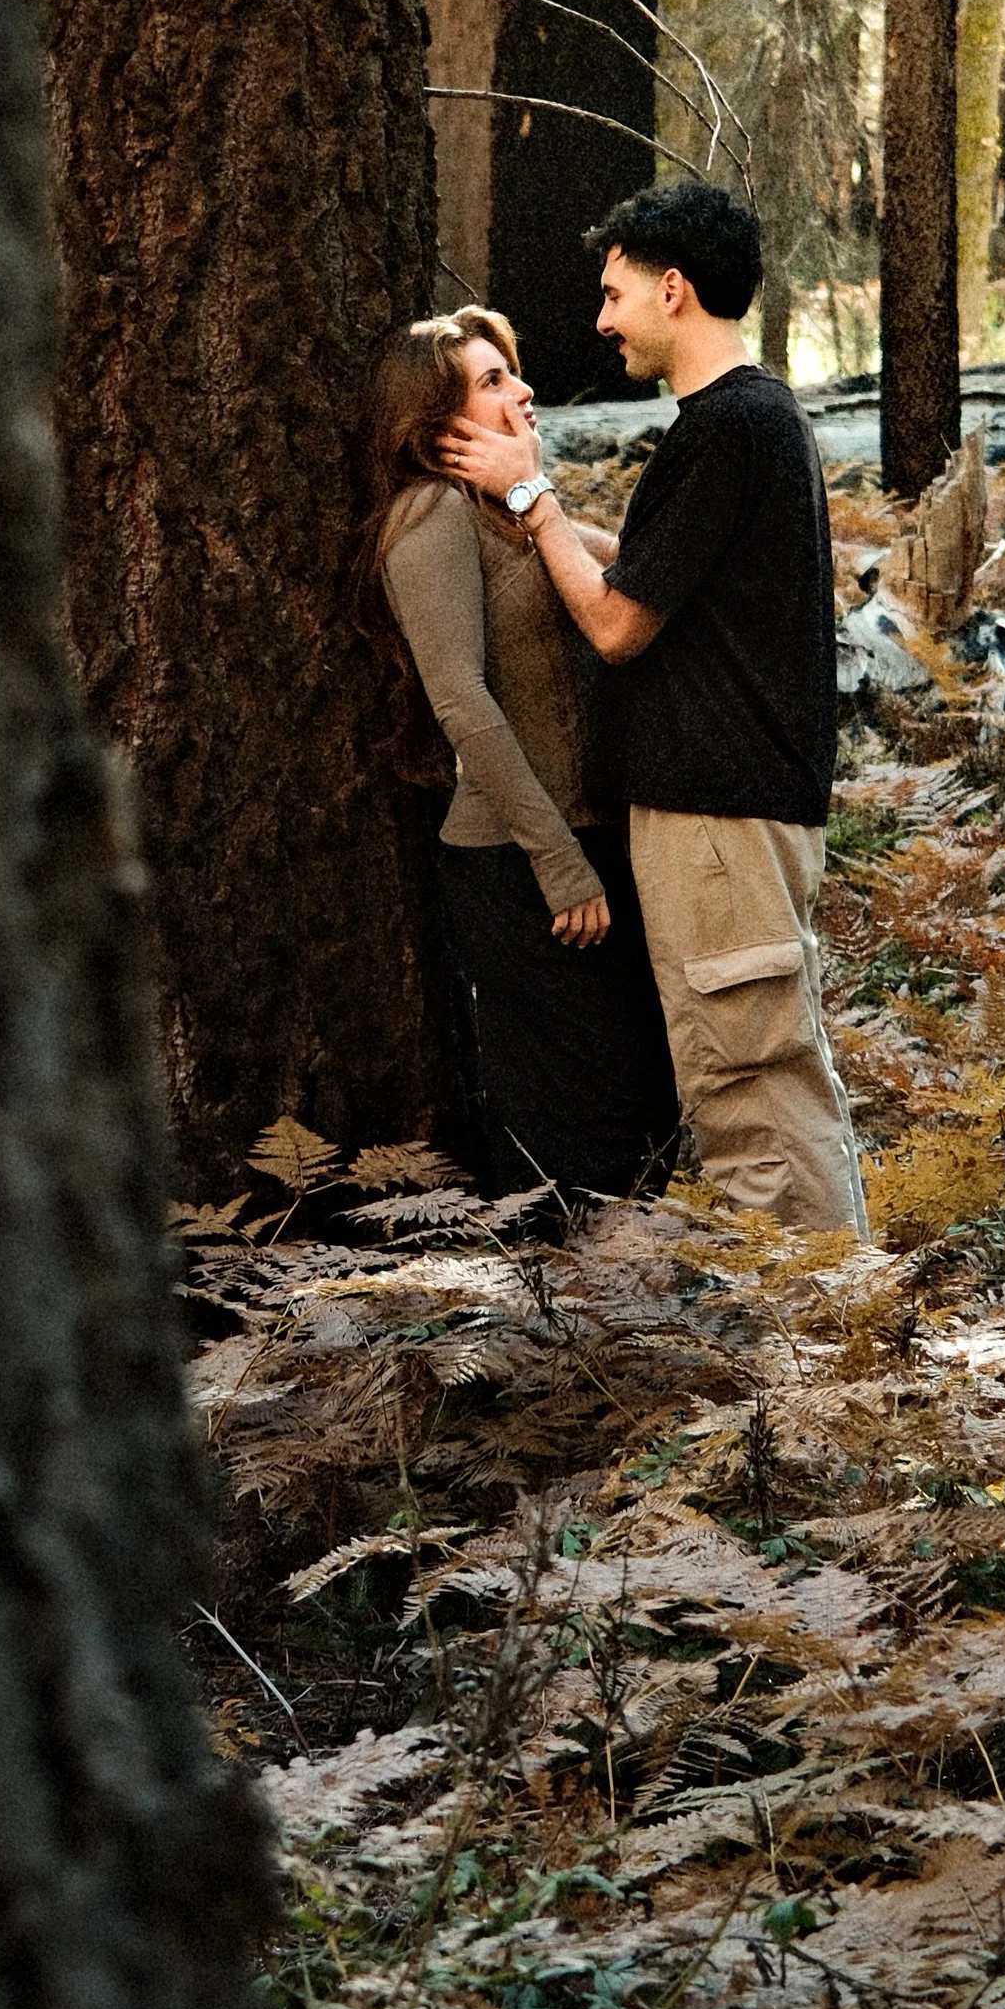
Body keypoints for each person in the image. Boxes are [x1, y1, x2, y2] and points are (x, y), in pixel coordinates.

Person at [440, 183, 869, 1239]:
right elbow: (648, 576)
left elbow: (620, 626)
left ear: (671, 290)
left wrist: (532, 497)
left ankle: (813, 1355)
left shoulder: (731, 429)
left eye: (614, 293)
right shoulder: (739, 425)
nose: (600, 320)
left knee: (749, 1088)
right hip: (721, 813)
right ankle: (828, 1337)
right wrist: (526, 505)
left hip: (719, 816)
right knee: (752, 1075)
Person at [357, 309, 678, 1204]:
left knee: (643, 1103)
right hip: (518, 865)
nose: (524, 390)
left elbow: (634, 579)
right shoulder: (428, 517)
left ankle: (629, 1312)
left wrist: (537, 493)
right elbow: (461, 699)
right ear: (437, 423)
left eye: (513, 372)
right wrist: (560, 865)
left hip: (594, 846)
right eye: (492, 382)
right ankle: (565, 1316)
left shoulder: (513, 512)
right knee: (573, 1118)